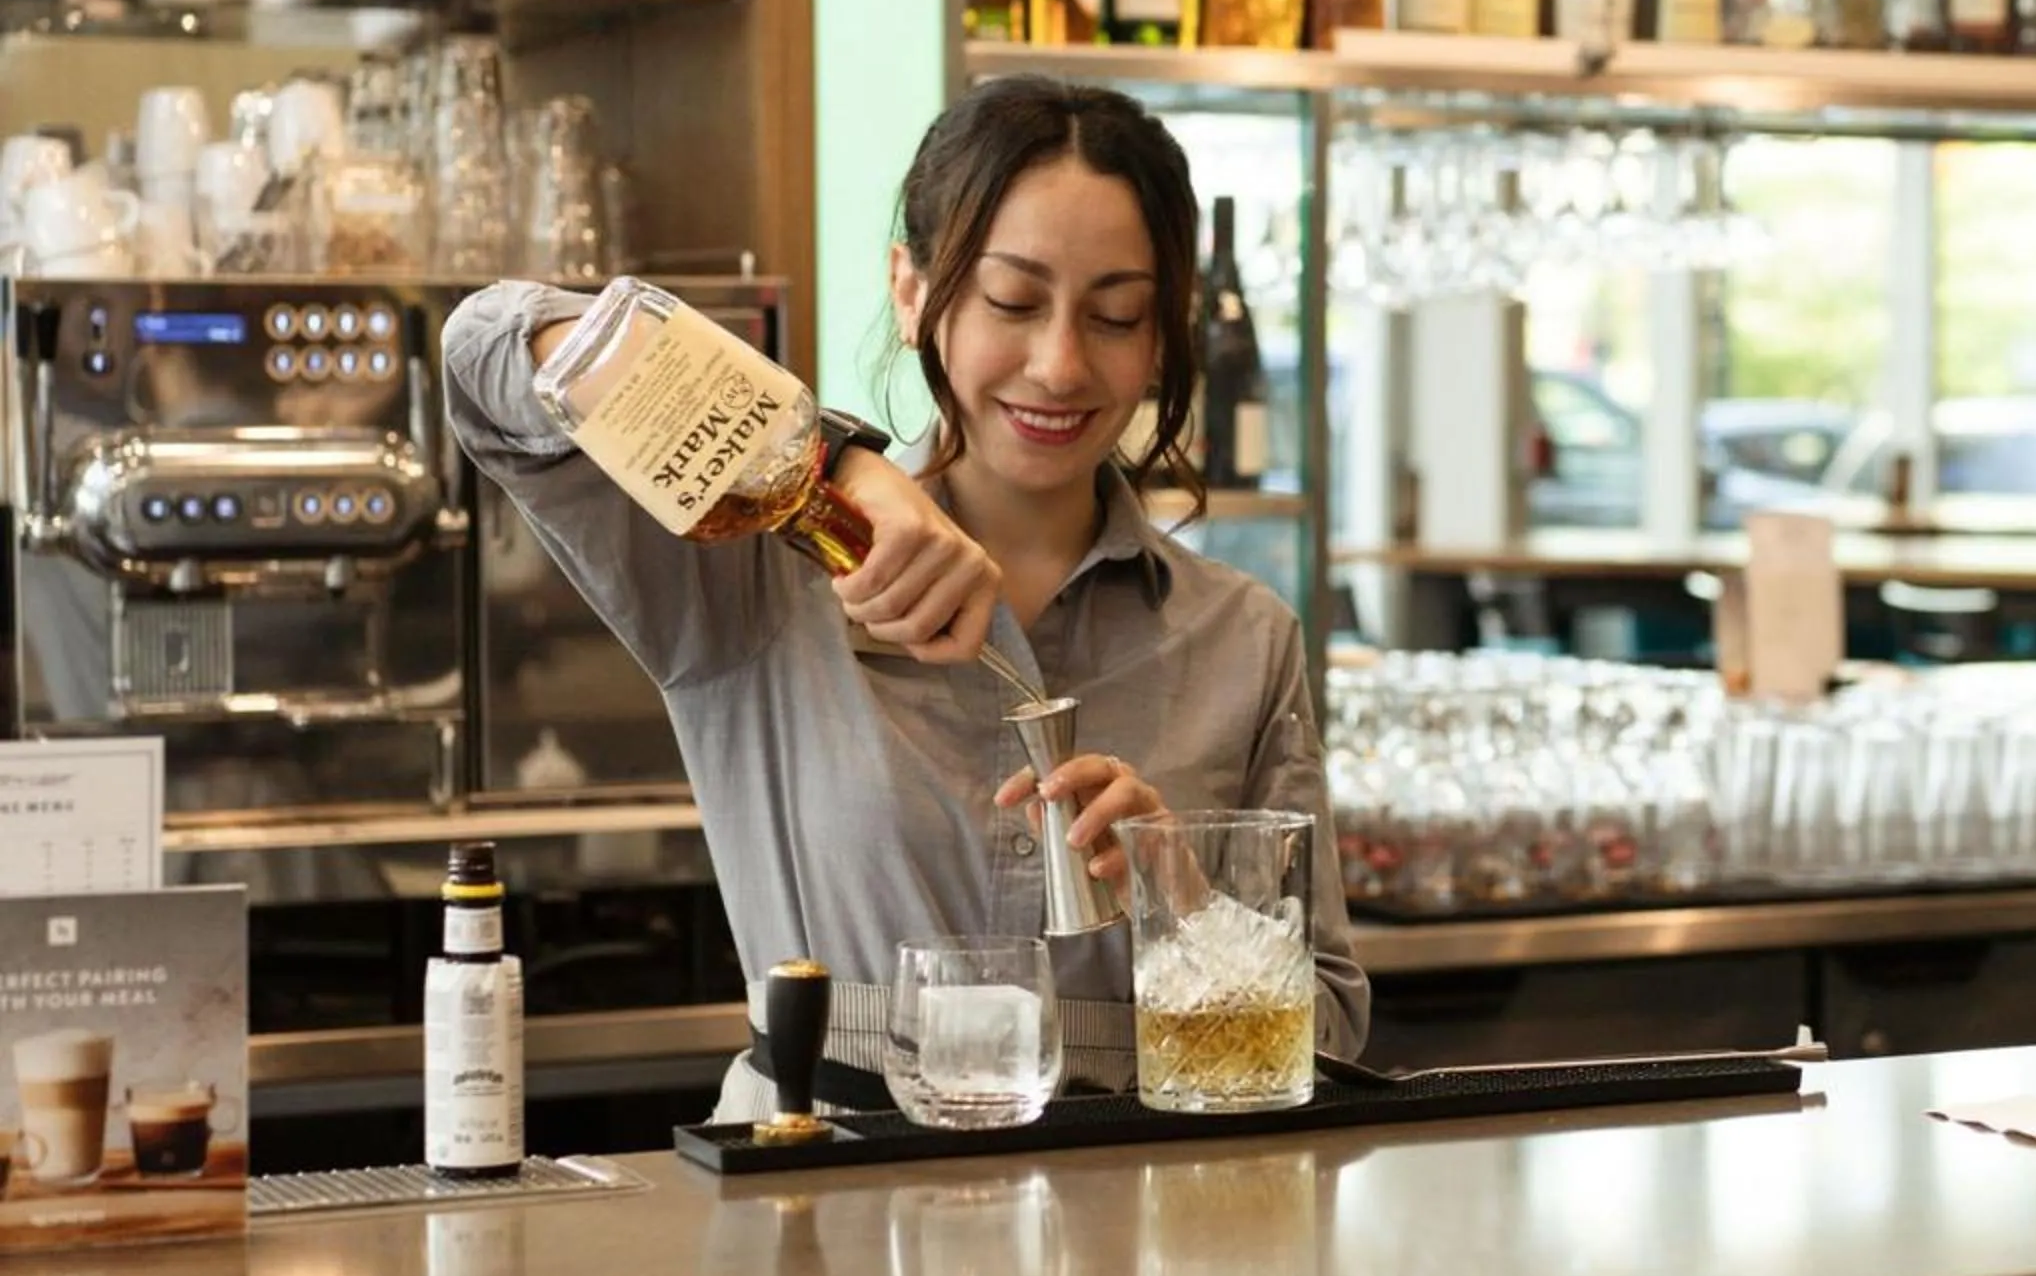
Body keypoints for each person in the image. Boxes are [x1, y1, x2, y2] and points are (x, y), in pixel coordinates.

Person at [447, 76, 1369, 1113]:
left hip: (1137, 1222)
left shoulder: (1243, 635)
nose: (1060, 364)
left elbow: (1327, 1034)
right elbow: (483, 350)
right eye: (1012, 302)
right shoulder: (756, 566)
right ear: (913, 289)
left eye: (1116, 315)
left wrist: (1182, 892)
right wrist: (830, 464)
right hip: (821, 1214)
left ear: (1165, 334)